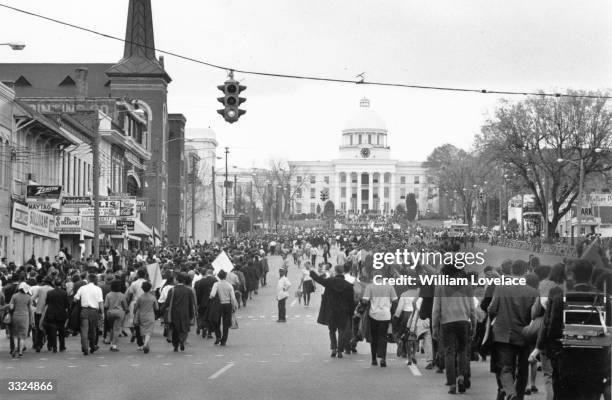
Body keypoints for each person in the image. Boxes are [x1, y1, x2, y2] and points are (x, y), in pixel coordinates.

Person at [488, 260, 538, 400]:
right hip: (523, 333)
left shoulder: (501, 288)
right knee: (522, 370)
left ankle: (510, 393)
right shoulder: (533, 291)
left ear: (511, 271)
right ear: (525, 272)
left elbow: (492, 308)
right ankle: (518, 396)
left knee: (505, 367)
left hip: (503, 332)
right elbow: (534, 314)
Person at [432, 264, 476, 394]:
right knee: (463, 351)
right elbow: (472, 309)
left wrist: (434, 327)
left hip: (446, 323)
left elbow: (436, 310)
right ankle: (462, 376)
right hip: (463, 321)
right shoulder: (467, 286)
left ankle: (451, 383)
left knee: (449, 352)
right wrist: (473, 324)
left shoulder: (440, 288)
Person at [310, 265, 354, 358]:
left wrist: (311, 271)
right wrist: (351, 313)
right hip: (343, 311)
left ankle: (334, 348)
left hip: (331, 310)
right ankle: (340, 351)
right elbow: (351, 301)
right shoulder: (348, 285)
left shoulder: (330, 281)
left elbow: (318, 279)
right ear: (342, 272)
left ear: (335, 271)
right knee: (342, 330)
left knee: (332, 330)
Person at [362, 266, 397, 367]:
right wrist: (394, 314)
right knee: (383, 337)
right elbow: (395, 301)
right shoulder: (389, 286)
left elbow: (365, 301)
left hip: (373, 316)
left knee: (374, 337)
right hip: (386, 316)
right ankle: (383, 359)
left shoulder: (370, 287)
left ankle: (373, 359)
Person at [74, 273, 104, 356]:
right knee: (93, 330)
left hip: (84, 310)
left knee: (84, 330)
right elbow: (100, 302)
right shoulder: (98, 289)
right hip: (94, 311)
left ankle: (85, 347)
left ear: (87, 279)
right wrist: (103, 312)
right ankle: (92, 346)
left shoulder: (82, 288)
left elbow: (75, 298)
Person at [168, 272, 195, 351]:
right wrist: (191, 314)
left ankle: (175, 345)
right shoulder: (189, 290)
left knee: (175, 329)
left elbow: (168, 302)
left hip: (174, 313)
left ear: (177, 280)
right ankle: (182, 341)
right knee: (184, 328)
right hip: (185, 312)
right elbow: (191, 303)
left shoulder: (172, 290)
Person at [209, 270, 237, 346]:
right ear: (225, 276)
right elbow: (233, 298)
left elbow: (212, 295)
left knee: (216, 321)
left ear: (218, 276)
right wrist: (234, 306)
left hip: (218, 305)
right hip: (227, 305)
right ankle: (224, 340)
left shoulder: (216, 284)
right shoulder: (229, 285)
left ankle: (218, 336)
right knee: (226, 323)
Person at [43, 278, 69, 353]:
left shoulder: (49, 292)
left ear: (54, 284)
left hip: (51, 314)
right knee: (61, 331)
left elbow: (47, 303)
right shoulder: (64, 293)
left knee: (52, 332)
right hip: (61, 314)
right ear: (61, 284)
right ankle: (62, 346)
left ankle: (54, 347)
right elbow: (67, 305)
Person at [8, 282, 33, 358]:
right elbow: (30, 309)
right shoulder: (28, 297)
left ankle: (15, 347)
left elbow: (11, 307)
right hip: (25, 317)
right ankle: (20, 352)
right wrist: (31, 319)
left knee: (15, 334)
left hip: (15, 316)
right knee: (22, 336)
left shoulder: (14, 296)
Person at [104, 279, 128, 352]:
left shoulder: (108, 295)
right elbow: (125, 306)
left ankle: (111, 342)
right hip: (119, 313)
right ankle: (114, 346)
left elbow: (106, 305)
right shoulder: (122, 295)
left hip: (110, 313)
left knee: (111, 328)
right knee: (116, 329)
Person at [134, 281, 158, 353]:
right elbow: (156, 308)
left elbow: (136, 307)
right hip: (150, 315)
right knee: (149, 331)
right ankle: (145, 344)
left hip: (141, 315)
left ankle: (146, 344)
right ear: (150, 288)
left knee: (143, 331)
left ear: (142, 288)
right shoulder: (153, 297)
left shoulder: (140, 297)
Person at [194, 269, 216, 339]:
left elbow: (198, 293)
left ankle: (201, 326)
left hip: (202, 302)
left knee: (201, 315)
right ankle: (209, 332)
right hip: (211, 302)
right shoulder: (215, 280)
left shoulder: (201, 281)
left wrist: (198, 302)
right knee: (210, 317)